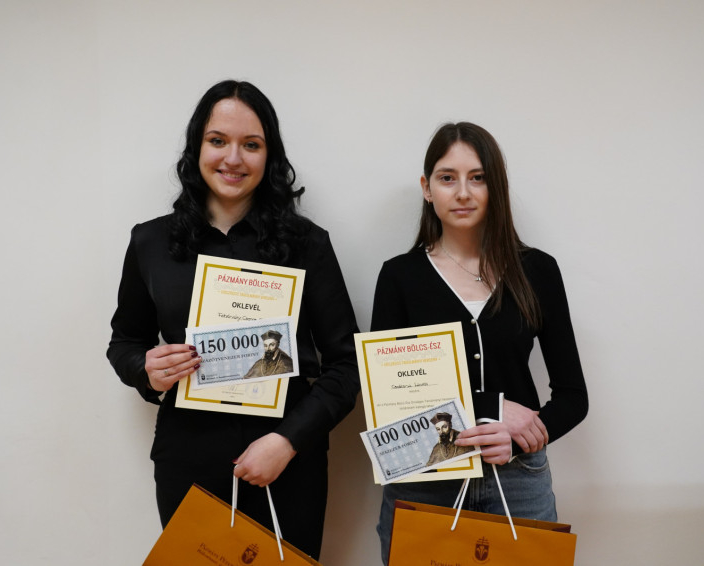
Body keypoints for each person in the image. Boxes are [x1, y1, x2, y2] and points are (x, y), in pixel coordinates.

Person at [107, 80, 360, 559]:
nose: (233, 158)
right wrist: (146, 370)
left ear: (270, 155)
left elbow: (347, 367)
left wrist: (288, 441)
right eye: (218, 140)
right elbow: (124, 342)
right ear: (196, 147)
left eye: (252, 145)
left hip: (287, 465)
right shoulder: (150, 243)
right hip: (188, 463)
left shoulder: (307, 244)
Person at [370, 122, 588, 564]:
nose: (463, 192)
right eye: (447, 178)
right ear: (427, 188)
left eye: (478, 177)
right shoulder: (399, 277)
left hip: (518, 478)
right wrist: (492, 409)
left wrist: (521, 439)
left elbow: (573, 397)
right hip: (424, 480)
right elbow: (387, 404)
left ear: (495, 187)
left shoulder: (538, 271)